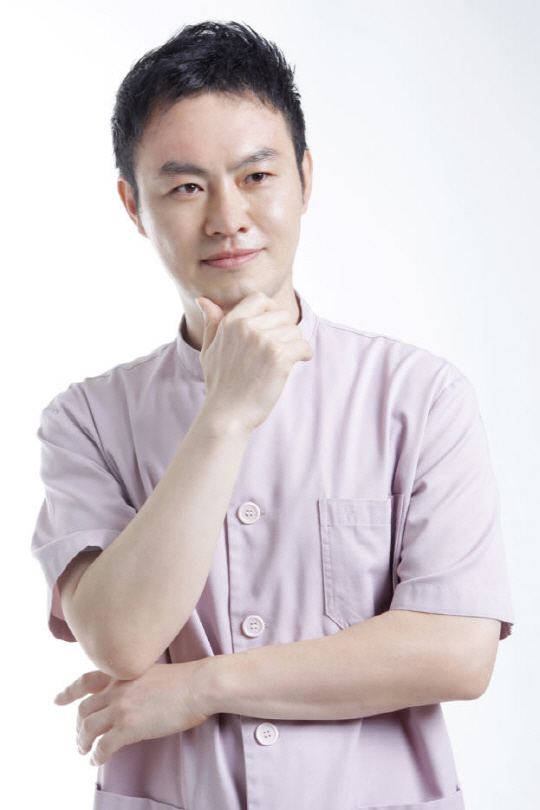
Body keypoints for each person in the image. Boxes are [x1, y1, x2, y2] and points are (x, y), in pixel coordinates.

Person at [31, 20, 514, 810]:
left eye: (256, 175)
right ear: (133, 205)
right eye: (186, 187)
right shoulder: (86, 419)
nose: (228, 217)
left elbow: (457, 651)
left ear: (305, 177)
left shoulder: (420, 397)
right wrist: (223, 415)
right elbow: (121, 637)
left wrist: (201, 686)